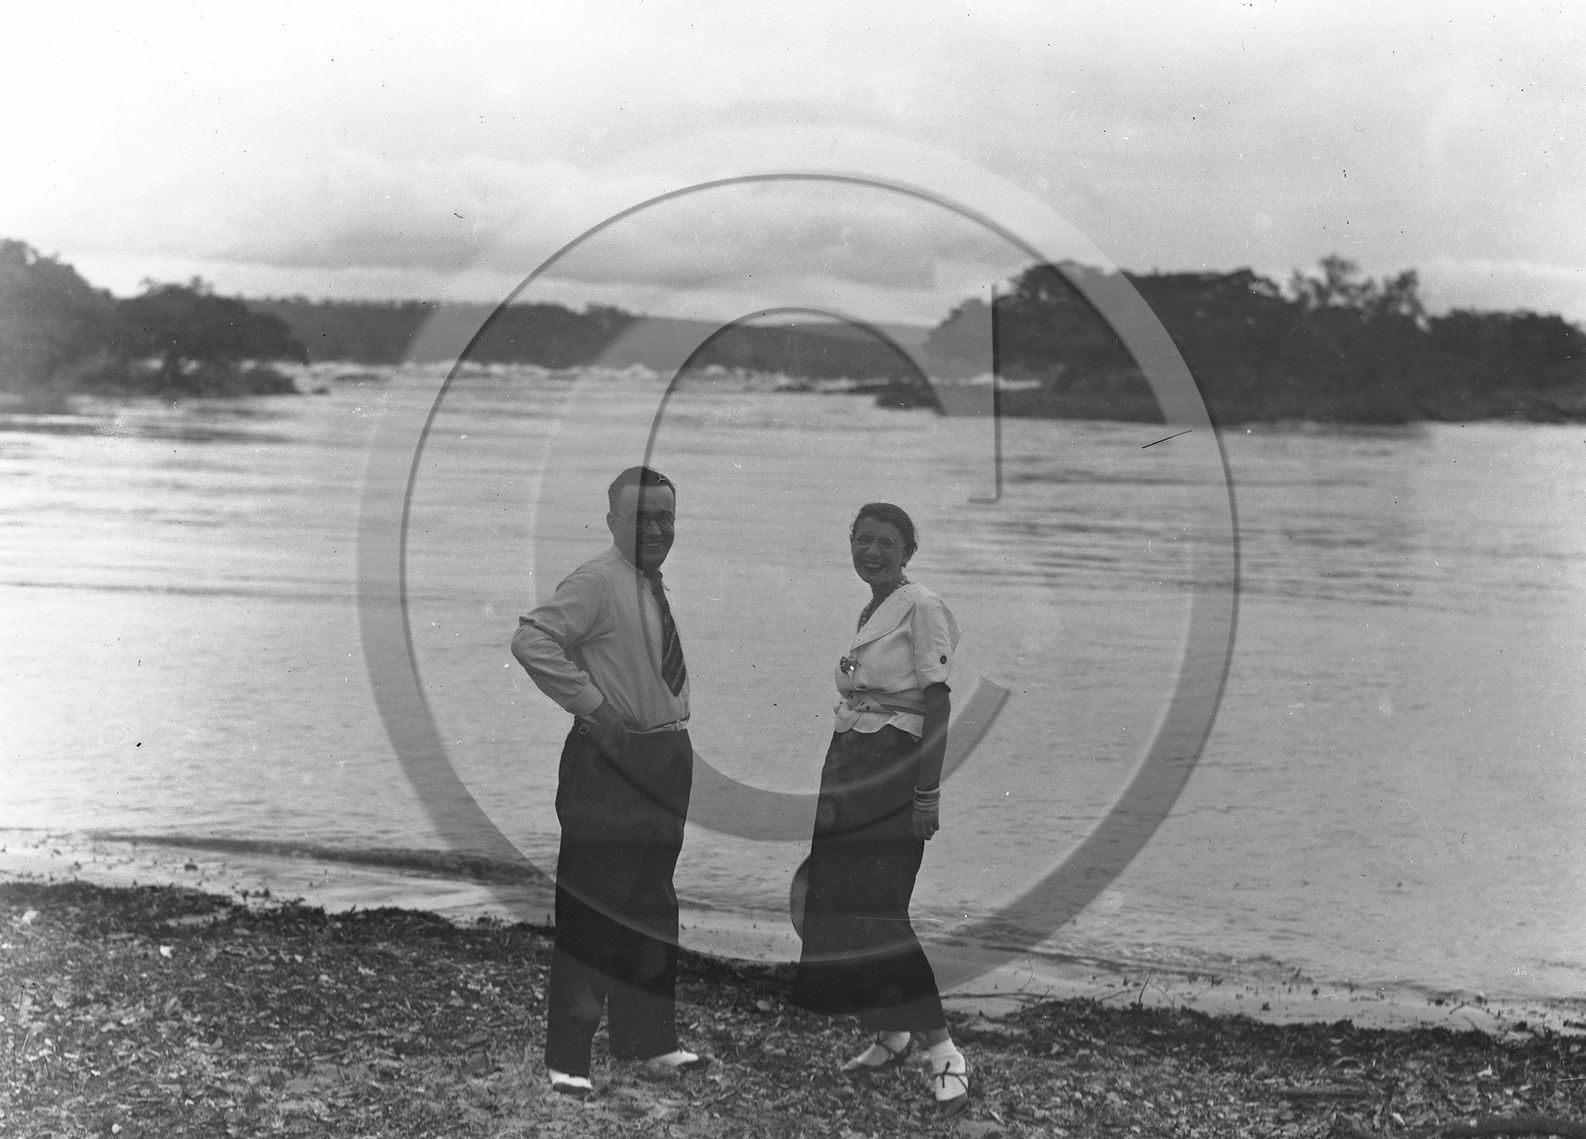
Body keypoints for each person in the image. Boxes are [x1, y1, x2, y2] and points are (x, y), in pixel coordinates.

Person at [511, 465, 709, 1098]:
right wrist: (595, 709)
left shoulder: (647, 582)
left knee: (652, 904)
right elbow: (532, 639)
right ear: (614, 523)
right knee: (594, 909)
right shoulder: (597, 580)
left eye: (666, 518)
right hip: (611, 763)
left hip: (666, 759)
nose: (656, 530)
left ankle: (647, 1040)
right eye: (642, 519)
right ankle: (567, 1059)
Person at [791, 502, 970, 1114]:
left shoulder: (921, 606)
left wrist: (927, 794)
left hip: (894, 770)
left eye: (885, 542)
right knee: (839, 903)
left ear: (907, 550)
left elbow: (937, 706)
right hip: (850, 762)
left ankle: (944, 1050)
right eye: (861, 540)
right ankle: (890, 1032)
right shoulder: (875, 606)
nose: (871, 551)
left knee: (882, 912)